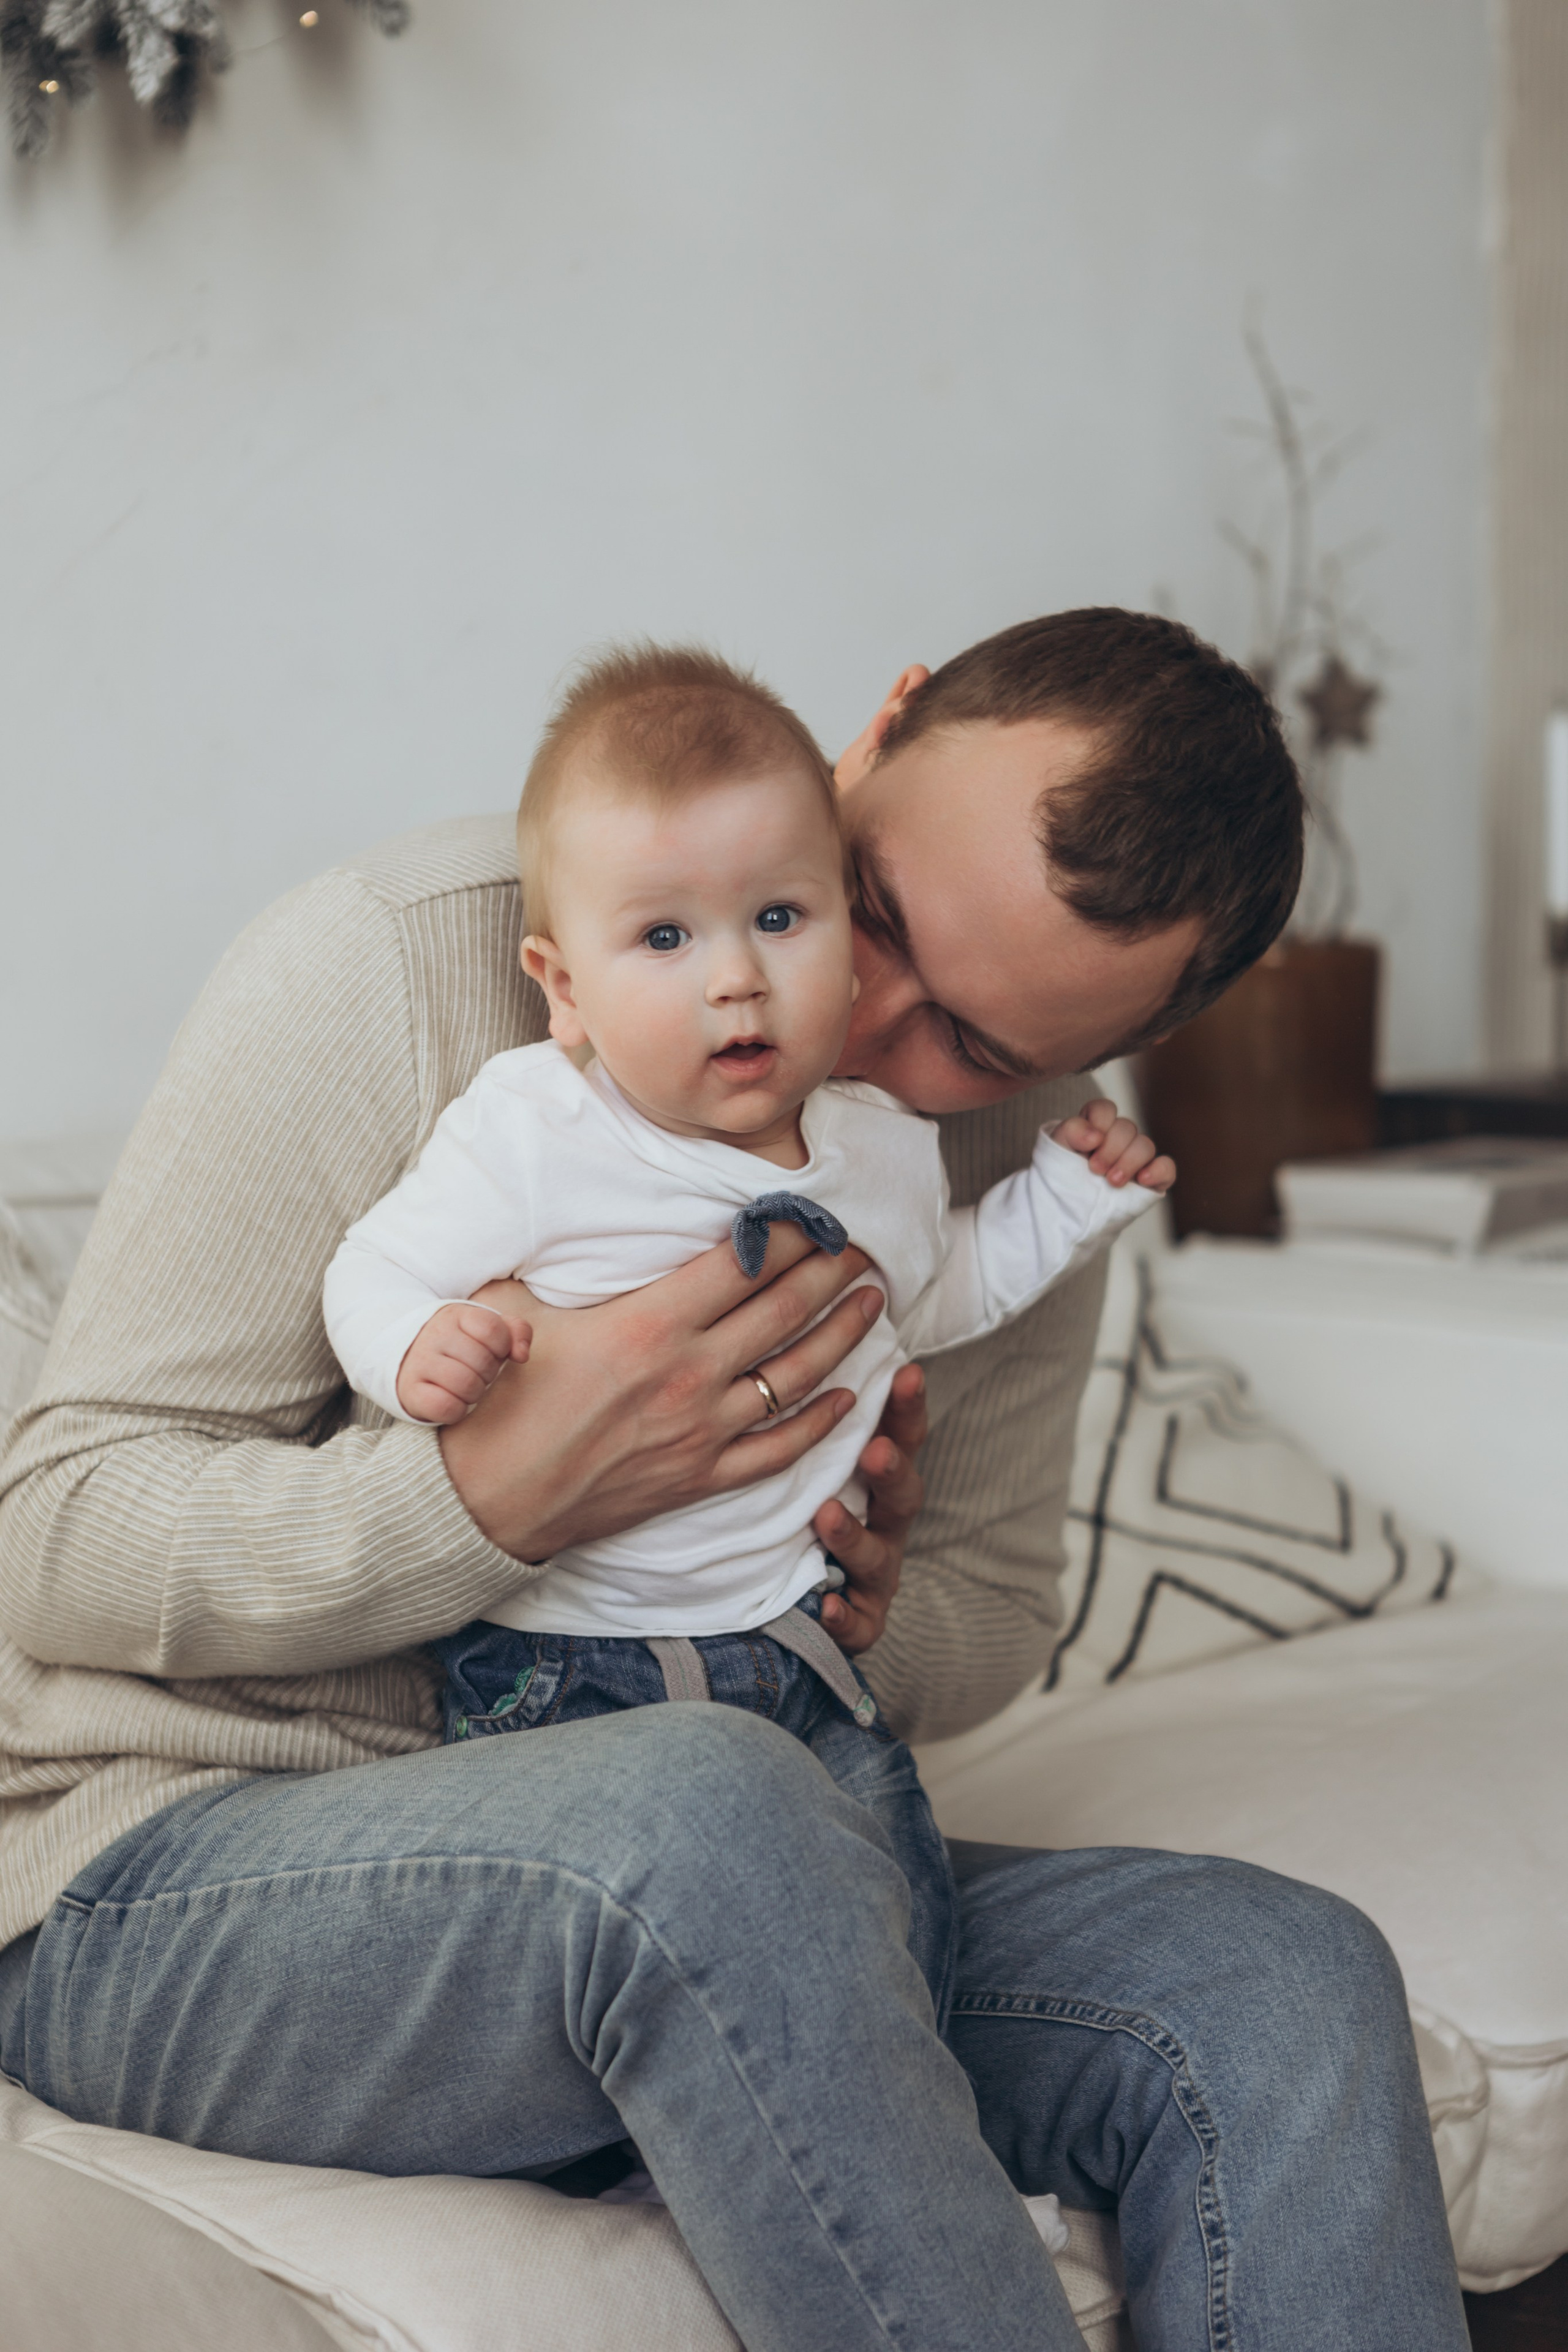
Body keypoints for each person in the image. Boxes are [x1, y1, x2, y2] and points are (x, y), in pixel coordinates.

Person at [0, 610, 1468, 2350]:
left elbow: (994, 1615)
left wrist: (863, 1601)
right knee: (714, 1816)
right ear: (883, 726)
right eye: (876, 912)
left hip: (730, 1881)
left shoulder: (995, 1157)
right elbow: (55, 1535)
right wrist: (493, 1498)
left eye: (976, 1045)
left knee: (1282, 1983)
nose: (849, 1028)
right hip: (172, 1881)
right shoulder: (399, 963)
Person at [323, 642, 1171, 2025]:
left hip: (794, 1653)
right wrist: (419, 1350)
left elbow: (929, 1295)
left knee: (901, 1942)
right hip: (569, 1667)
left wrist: (1066, 1203)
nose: (738, 981)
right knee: (696, 1921)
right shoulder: (536, 1129)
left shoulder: (882, 1148)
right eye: (666, 940)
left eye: (781, 921)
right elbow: (375, 1269)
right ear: (562, 985)